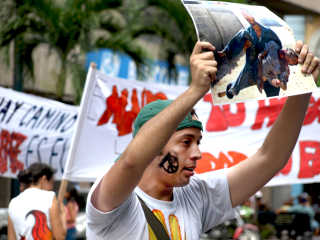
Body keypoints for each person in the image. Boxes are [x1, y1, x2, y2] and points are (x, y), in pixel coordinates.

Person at [86, 40, 319, 239]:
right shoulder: (114, 200)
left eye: (198, 142)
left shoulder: (196, 195)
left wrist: (301, 87)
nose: (197, 153)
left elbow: (270, 159)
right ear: (153, 145)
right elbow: (130, 162)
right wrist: (195, 90)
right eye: (186, 142)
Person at [217, 13, 294, 98]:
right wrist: (227, 50)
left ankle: (232, 89)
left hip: (268, 77)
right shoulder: (249, 33)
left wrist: (279, 83)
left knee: (273, 96)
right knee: (235, 88)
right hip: (255, 67)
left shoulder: (282, 64)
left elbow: (284, 86)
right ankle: (231, 89)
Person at [8, 163, 66, 240]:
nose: (52, 187)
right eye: (51, 183)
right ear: (44, 179)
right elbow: (60, 236)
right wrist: (63, 214)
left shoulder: (13, 203)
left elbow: (11, 238)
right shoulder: (50, 197)